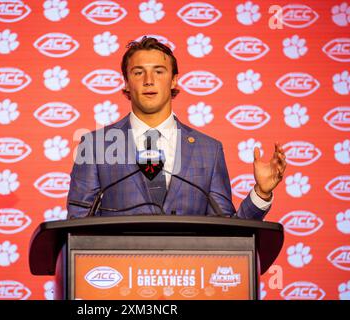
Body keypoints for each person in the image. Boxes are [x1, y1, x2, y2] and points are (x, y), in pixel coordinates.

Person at [67, 36, 286, 220]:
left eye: (159, 71)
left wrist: (261, 193)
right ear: (126, 82)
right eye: (138, 72)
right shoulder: (95, 146)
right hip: (117, 269)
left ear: (174, 81)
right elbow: (77, 225)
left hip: (187, 270)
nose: (149, 80)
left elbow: (226, 230)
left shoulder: (208, 150)